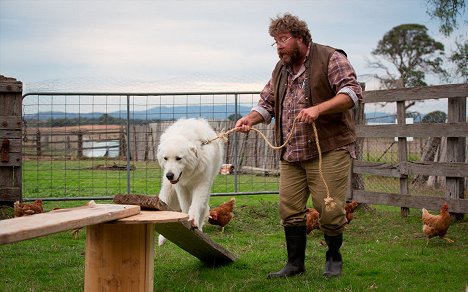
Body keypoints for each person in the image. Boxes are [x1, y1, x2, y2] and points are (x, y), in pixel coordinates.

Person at [235, 13, 362, 279]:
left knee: (329, 210)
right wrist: (250, 118)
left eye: (283, 39)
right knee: (289, 209)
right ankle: (295, 265)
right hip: (291, 152)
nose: (278, 46)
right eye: (275, 41)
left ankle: (333, 257)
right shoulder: (280, 69)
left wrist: (318, 109)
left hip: (328, 148)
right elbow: (267, 104)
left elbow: (351, 93)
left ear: (300, 38)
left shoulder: (331, 58)